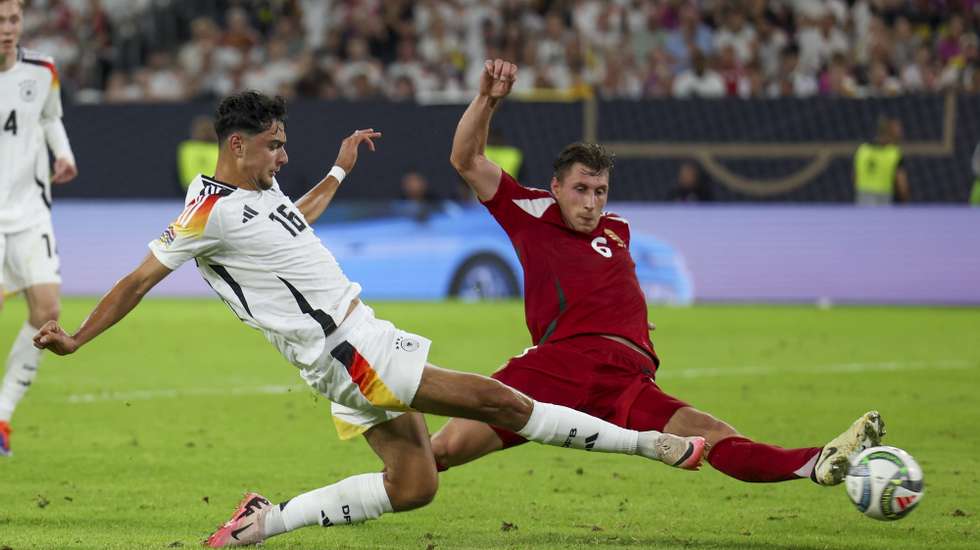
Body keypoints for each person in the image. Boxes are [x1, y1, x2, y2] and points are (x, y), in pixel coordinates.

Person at [33, 91, 705, 547]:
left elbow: (295, 219)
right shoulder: (204, 213)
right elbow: (139, 280)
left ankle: (261, 524)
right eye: (274, 147)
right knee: (498, 400)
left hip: (347, 349)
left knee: (415, 485)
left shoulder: (256, 197)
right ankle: (651, 445)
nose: (282, 157)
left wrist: (338, 170)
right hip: (346, 349)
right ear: (237, 146)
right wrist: (77, 337)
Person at [433, 58, 883, 492]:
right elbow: (465, 159)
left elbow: (609, 286)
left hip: (625, 378)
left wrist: (630, 323)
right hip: (561, 365)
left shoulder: (619, 229)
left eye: (600, 191)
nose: (591, 203)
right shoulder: (530, 211)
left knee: (709, 434)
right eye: (581, 190)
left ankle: (817, 461)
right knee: (444, 450)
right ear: (556, 188)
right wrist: (487, 100)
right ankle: (375, 480)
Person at [0, 0, 78, 457]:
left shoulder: (42, 71)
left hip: (30, 212)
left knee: (47, 309)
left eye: (12, 19)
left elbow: (50, 117)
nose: (7, 29)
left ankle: (3, 414)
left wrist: (62, 153)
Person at [854, 116, 909, 205]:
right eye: (898, 128)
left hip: (863, 201)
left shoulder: (862, 150)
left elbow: (855, 177)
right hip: (883, 202)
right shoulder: (894, 153)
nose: (901, 132)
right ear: (889, 130)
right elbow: (902, 185)